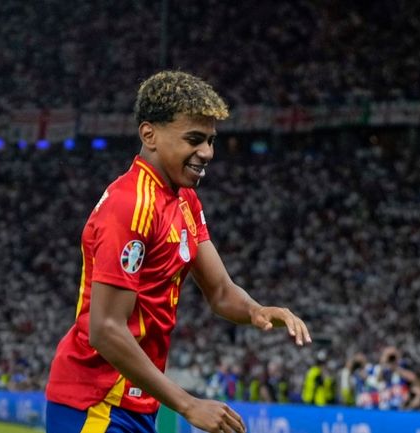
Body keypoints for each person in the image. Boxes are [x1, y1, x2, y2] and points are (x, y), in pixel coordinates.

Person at [45, 71, 312, 433]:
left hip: (134, 403)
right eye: (194, 139)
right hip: (96, 402)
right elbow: (106, 329)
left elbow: (220, 292)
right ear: (149, 135)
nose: (207, 152)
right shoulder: (130, 206)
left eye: (210, 140)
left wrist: (256, 310)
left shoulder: (184, 199)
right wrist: (189, 405)